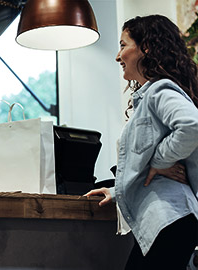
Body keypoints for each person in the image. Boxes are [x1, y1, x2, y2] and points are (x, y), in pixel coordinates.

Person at [85, 15, 198, 269]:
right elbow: (146, 170)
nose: (117, 56)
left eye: (123, 45)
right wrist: (117, 190)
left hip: (170, 219)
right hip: (171, 220)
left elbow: (192, 125)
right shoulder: (150, 95)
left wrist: (158, 161)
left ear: (145, 48)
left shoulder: (159, 90)